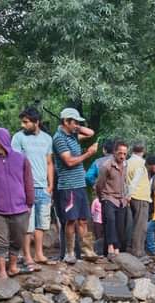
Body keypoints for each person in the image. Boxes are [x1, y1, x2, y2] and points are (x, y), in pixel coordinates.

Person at [0, 128, 34, 278]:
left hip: (20, 208)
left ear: (2, 140)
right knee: (0, 241)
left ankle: (13, 267)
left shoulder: (21, 159)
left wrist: (29, 204)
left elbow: (28, 182)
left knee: (17, 239)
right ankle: (2, 271)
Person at [53, 107, 99, 264]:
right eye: (74, 122)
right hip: (68, 185)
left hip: (79, 184)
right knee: (71, 220)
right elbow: (69, 161)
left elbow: (91, 133)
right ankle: (70, 253)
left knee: (83, 219)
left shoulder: (72, 135)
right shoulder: (59, 138)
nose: (77, 126)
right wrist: (89, 154)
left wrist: (77, 125)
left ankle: (87, 251)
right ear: (65, 121)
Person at [12, 107, 55, 268]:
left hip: (43, 187)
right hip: (25, 187)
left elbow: (49, 162)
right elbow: (15, 163)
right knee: (27, 225)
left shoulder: (47, 139)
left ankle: (39, 254)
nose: (23, 125)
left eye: (26, 122)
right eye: (22, 122)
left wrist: (50, 185)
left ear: (36, 122)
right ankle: (27, 256)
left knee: (41, 223)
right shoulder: (18, 138)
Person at [97, 140, 129, 257]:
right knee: (110, 222)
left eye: (125, 154)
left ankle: (117, 248)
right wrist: (102, 197)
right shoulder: (106, 166)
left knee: (120, 225)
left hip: (121, 199)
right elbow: (99, 184)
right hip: (108, 196)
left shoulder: (126, 165)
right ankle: (110, 247)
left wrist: (127, 196)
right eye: (120, 153)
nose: (122, 156)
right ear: (114, 152)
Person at [125, 143, 150, 257]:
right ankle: (138, 251)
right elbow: (135, 180)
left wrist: (127, 195)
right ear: (143, 151)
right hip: (140, 196)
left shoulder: (127, 162)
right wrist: (130, 194)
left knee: (132, 224)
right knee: (141, 226)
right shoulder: (141, 163)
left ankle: (129, 247)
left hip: (131, 197)